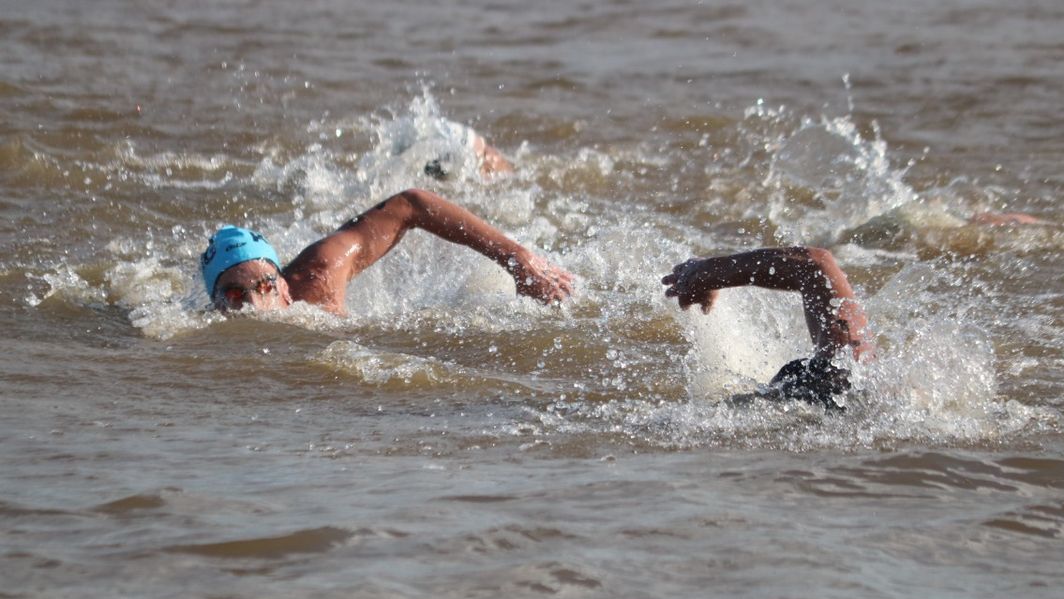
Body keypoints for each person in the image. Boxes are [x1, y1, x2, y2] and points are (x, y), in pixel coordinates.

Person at [200, 188, 572, 315]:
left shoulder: (320, 274)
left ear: (282, 284)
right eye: (234, 296)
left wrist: (516, 258)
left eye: (265, 286)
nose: (253, 305)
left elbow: (412, 204)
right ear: (216, 305)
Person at [662, 246, 872, 409]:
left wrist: (704, 274)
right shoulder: (860, 381)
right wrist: (710, 274)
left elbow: (815, 265)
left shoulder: (846, 376)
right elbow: (816, 265)